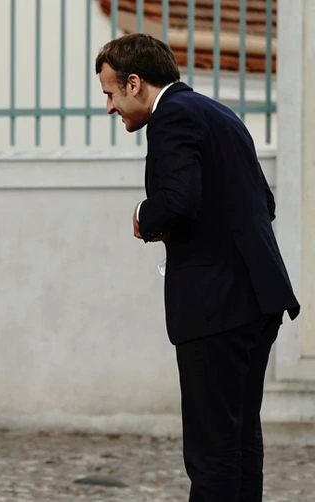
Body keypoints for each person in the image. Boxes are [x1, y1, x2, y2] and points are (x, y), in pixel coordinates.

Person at [95, 34, 299, 501]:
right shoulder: (219, 113)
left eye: (110, 93)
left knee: (211, 449)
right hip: (257, 298)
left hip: (215, 305)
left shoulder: (171, 118)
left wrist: (143, 218)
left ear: (134, 82)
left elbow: (178, 201)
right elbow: (262, 203)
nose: (110, 107)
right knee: (240, 438)